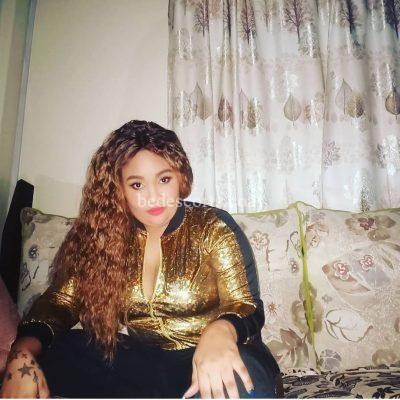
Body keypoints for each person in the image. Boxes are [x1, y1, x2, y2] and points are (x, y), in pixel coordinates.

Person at [0, 120, 283, 399]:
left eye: (164, 179)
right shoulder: (105, 237)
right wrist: (22, 352)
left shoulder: (212, 226)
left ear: (180, 177)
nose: (154, 197)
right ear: (119, 189)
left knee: (235, 386)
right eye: (137, 185)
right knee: (53, 354)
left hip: (221, 353)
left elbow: (245, 304)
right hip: (149, 365)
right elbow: (61, 301)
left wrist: (221, 330)